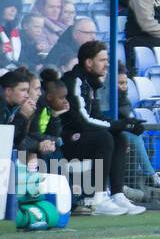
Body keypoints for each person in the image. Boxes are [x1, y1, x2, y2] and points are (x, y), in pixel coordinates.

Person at [59, 41, 147, 215]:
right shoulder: (74, 81)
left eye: (107, 60)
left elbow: (97, 116)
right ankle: (96, 199)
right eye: (102, 60)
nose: (107, 64)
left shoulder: (89, 83)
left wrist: (126, 124)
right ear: (89, 62)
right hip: (66, 139)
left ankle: (117, 194)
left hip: (81, 136)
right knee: (105, 137)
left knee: (119, 136)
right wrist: (118, 124)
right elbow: (81, 121)